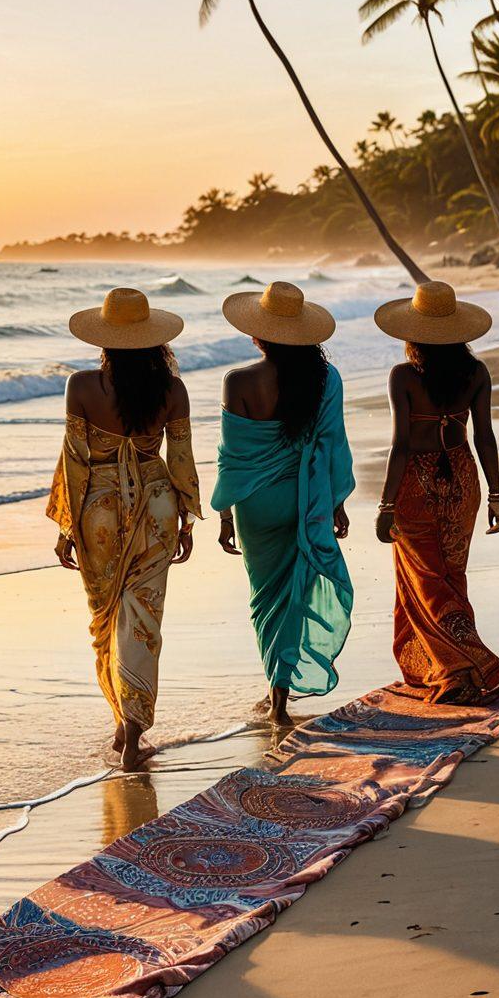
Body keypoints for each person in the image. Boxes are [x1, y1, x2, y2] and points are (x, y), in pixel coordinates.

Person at [47, 287, 201, 770]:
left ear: (105, 341)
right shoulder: (173, 391)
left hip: (98, 511)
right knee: (143, 618)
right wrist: (187, 519)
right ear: (157, 342)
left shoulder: (82, 386)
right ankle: (130, 729)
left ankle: (123, 722)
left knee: (107, 619)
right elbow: (181, 461)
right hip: (157, 506)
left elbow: (74, 462)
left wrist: (66, 526)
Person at [211, 281, 354, 727]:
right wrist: (335, 503)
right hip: (306, 497)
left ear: (258, 335)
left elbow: (232, 458)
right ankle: (280, 695)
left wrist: (224, 514)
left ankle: (274, 693)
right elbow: (331, 444)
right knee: (295, 593)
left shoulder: (238, 381)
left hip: (255, 504)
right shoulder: (326, 380)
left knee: (264, 599)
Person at [374, 279, 499, 704]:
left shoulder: (403, 377)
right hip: (463, 479)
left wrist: (386, 504)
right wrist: (495, 495)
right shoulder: (476, 373)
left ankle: (461, 669)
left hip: (417, 481)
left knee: (425, 580)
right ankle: (462, 668)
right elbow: (484, 436)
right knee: (450, 576)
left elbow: (402, 444)